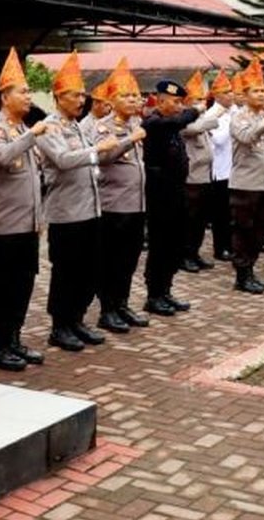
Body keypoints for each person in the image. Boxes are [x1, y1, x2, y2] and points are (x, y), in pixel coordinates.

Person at [35, 52, 119, 352]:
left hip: (90, 209)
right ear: (59, 97)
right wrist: (96, 150)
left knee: (88, 270)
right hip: (65, 213)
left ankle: (78, 320)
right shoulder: (49, 127)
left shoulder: (77, 127)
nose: (81, 99)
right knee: (66, 272)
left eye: (83, 94)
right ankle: (60, 326)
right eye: (74, 95)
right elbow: (62, 159)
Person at [0, 48, 47, 372]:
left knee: (23, 286)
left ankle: (14, 339)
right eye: (23, 91)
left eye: (29, 91)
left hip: (28, 227)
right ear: (5, 97)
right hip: (3, 227)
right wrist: (33, 135)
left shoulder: (23, 131)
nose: (29, 97)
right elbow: (3, 157)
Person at [89, 58, 149, 334]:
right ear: (112, 100)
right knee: (110, 259)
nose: (134, 100)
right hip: (114, 206)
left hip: (136, 204)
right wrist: (129, 139)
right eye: (126, 95)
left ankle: (122, 303)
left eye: (135, 95)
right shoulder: (104, 127)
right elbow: (103, 157)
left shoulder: (135, 124)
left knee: (129, 258)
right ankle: (108, 309)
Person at [142, 78, 206, 315]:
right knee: (160, 245)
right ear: (160, 101)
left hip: (177, 192)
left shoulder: (170, 124)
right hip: (160, 196)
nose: (180, 107)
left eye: (182, 103)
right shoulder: (154, 122)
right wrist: (196, 109)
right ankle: (154, 295)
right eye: (176, 102)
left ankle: (166, 290)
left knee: (173, 244)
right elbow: (182, 120)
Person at [228, 60, 264, 294]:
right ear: (245, 95)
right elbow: (246, 138)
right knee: (243, 230)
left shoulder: (262, 116)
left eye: (262, 90)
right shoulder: (239, 118)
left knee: (258, 231)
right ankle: (242, 274)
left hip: (263, 183)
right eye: (256, 91)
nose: (261, 94)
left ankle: (251, 271)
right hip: (245, 184)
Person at [180, 70, 226, 273]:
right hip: (191, 176)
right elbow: (194, 129)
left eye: (202, 99)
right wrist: (214, 112)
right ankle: (185, 255)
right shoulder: (183, 119)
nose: (200, 103)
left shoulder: (199, 118)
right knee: (189, 219)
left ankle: (195, 252)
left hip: (205, 175)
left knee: (200, 219)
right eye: (196, 99)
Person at [207, 70, 236, 262]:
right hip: (219, 170)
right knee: (221, 213)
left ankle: (230, 244)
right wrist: (232, 124)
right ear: (217, 96)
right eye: (227, 92)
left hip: (234, 168)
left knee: (232, 211)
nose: (231, 95)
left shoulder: (234, 112)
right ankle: (220, 247)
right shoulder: (212, 114)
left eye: (232, 91)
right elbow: (217, 139)